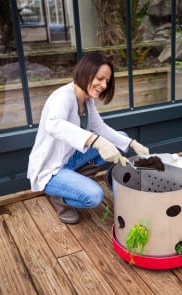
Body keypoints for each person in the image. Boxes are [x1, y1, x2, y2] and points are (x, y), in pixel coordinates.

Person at [27, 52, 149, 224]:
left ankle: (74, 182)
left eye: (107, 81)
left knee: (121, 138)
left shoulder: (87, 100)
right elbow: (53, 124)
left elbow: (99, 128)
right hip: (51, 169)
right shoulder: (64, 96)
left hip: (69, 160)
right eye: (100, 78)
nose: (104, 85)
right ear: (86, 71)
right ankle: (59, 198)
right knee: (94, 196)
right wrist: (96, 142)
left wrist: (131, 143)